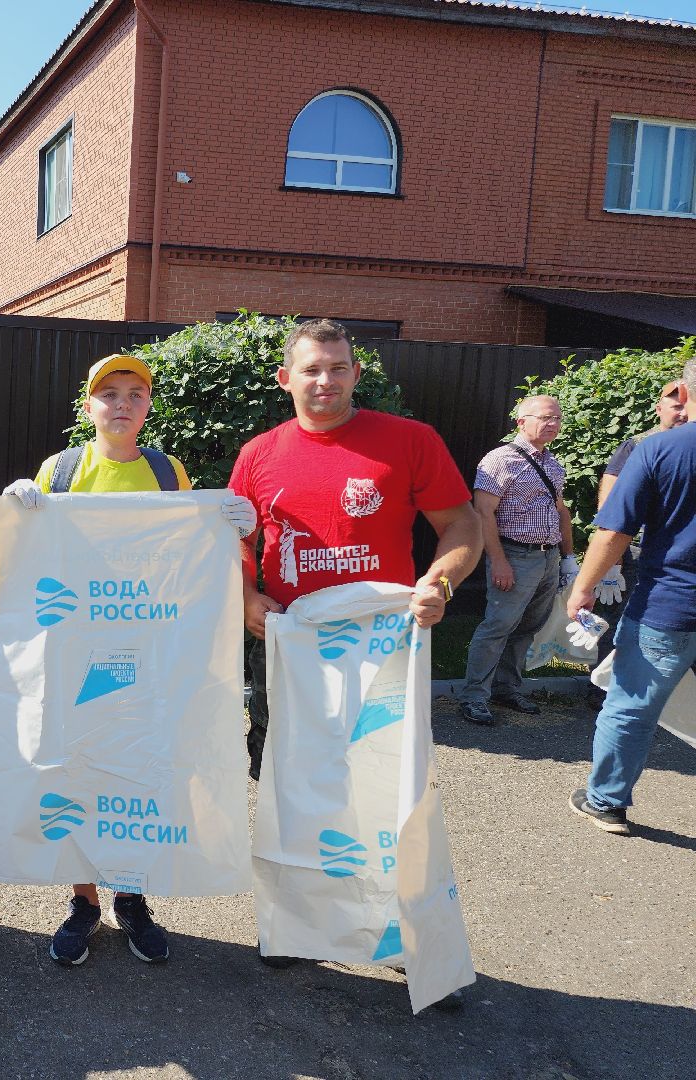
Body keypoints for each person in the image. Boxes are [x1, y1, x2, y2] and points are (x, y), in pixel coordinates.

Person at [230, 318, 480, 994]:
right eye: (311, 369)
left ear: (356, 374)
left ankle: (401, 932)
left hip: (384, 648)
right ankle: (295, 926)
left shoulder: (409, 441)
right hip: (292, 650)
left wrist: (441, 581)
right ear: (285, 379)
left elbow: (461, 523)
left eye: (338, 367)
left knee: (390, 790)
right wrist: (245, 595)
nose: (325, 380)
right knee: (293, 788)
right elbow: (239, 543)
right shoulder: (258, 455)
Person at [1, 353, 256, 967]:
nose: (121, 404)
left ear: (147, 406)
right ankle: (83, 902)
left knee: (139, 767)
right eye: (109, 393)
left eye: (134, 394)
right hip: (76, 651)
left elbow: (188, 553)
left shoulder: (168, 472)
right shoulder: (61, 471)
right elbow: (38, 556)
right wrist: (16, 514)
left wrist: (230, 527)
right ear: (89, 405)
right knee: (78, 768)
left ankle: (132, 898)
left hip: (147, 651)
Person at [567, 362, 696, 835]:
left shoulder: (659, 448)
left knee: (631, 707)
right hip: (673, 603)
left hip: (669, 604)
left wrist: (583, 587)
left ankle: (606, 802)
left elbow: (613, 530)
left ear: (682, 392)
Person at [456, 395, 578, 725]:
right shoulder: (500, 460)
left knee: (528, 626)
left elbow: (560, 510)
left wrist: (568, 558)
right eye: (545, 418)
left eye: (557, 418)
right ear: (521, 422)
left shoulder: (552, 463)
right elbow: (483, 513)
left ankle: (506, 688)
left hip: (548, 557)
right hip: (515, 555)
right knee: (498, 626)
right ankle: (473, 696)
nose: (553, 424)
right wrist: (498, 561)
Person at [588, 380, 688, 706]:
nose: (681, 412)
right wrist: (612, 559)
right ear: (659, 409)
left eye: (684, 405)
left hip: (676, 555)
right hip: (634, 549)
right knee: (619, 616)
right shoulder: (639, 445)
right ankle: (602, 690)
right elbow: (610, 496)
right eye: (674, 406)